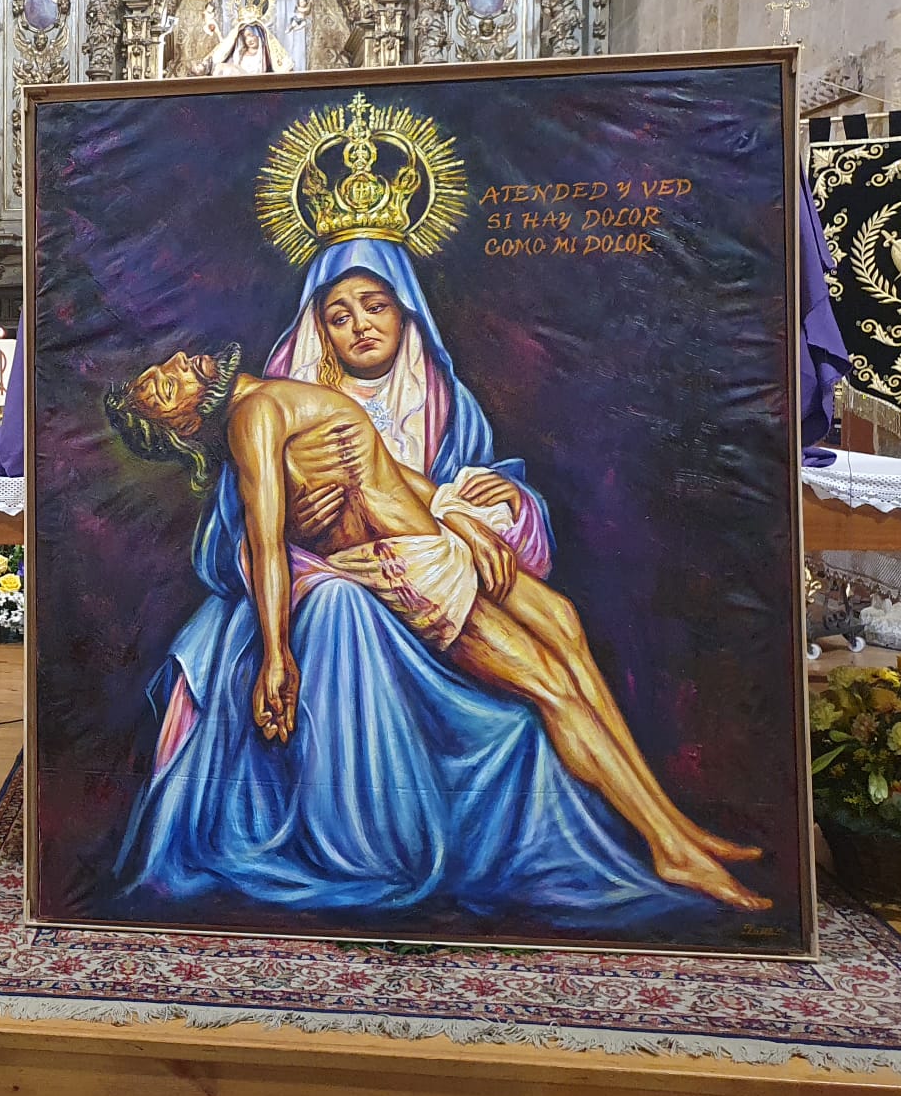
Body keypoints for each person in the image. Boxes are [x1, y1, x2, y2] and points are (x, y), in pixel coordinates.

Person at [100, 235, 770, 931]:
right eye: (164, 387)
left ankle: (674, 825)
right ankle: (668, 850)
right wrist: (277, 654)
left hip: (434, 542)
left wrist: (462, 516)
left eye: (375, 305)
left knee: (564, 623)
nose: (176, 365)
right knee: (550, 685)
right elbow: (265, 544)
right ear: (182, 423)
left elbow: (393, 475)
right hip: (410, 570)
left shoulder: (290, 396)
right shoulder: (256, 416)